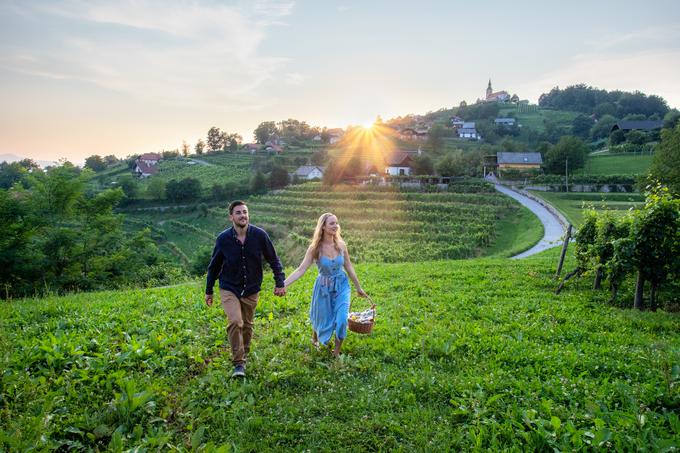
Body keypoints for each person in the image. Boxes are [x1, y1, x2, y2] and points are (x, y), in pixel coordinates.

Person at [205, 200, 286, 378]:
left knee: (247, 325)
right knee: (235, 322)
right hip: (229, 287)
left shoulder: (259, 235)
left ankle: (244, 352)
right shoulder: (223, 239)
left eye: (245, 212)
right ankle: (238, 363)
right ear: (231, 217)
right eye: (239, 212)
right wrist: (209, 290)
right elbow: (214, 266)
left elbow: (273, 259)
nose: (243, 215)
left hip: (251, 287)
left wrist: (280, 282)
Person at [284, 213, 367, 357]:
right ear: (323, 226)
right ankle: (315, 337)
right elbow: (301, 269)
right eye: (332, 223)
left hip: (342, 286)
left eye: (337, 223)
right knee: (322, 317)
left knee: (342, 320)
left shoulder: (341, 245)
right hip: (323, 286)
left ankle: (336, 352)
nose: (336, 226)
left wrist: (359, 288)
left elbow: (349, 266)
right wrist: (283, 284)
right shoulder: (314, 248)